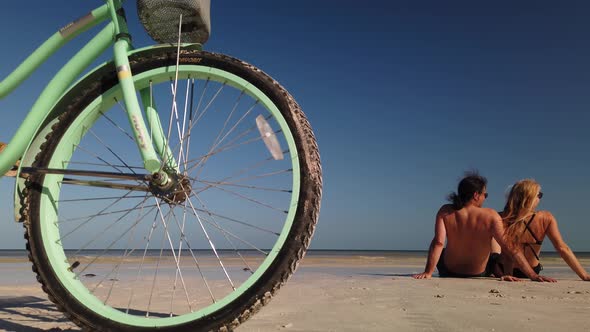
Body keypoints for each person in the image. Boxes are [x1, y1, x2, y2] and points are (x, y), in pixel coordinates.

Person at [413, 172, 555, 282]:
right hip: (478, 272)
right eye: (485, 194)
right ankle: (503, 273)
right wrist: (532, 274)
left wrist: (428, 272)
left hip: (448, 270)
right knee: (495, 246)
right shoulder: (490, 215)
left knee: (443, 249)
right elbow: (510, 247)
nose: (485, 198)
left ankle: (502, 272)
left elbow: (438, 242)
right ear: (476, 195)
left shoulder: (445, 210)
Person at [494, 179, 590, 281]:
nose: (540, 198)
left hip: (502, 270)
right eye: (539, 195)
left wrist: (506, 272)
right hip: (532, 270)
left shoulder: (500, 217)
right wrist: (584, 275)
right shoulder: (545, 218)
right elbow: (562, 248)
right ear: (529, 197)